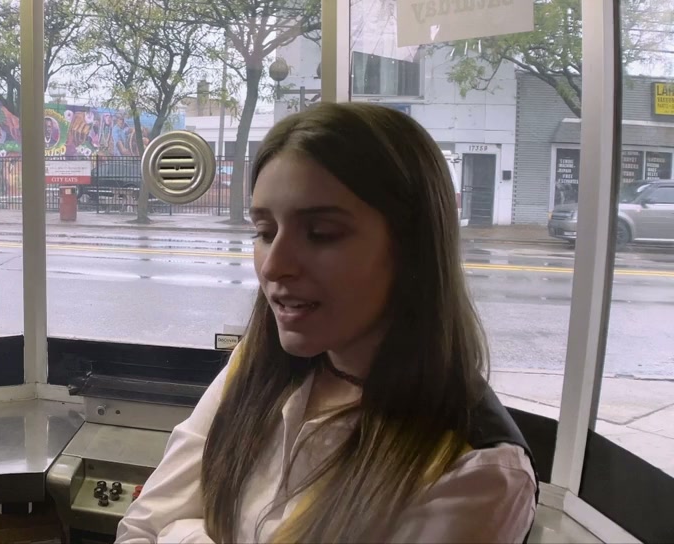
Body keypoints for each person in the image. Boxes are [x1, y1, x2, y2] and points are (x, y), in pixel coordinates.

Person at [116, 103, 537, 543]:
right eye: (265, 232)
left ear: (412, 248)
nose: (274, 266)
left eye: (321, 234)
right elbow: (140, 528)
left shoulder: (474, 470)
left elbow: (161, 528)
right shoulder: (258, 363)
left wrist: (183, 533)